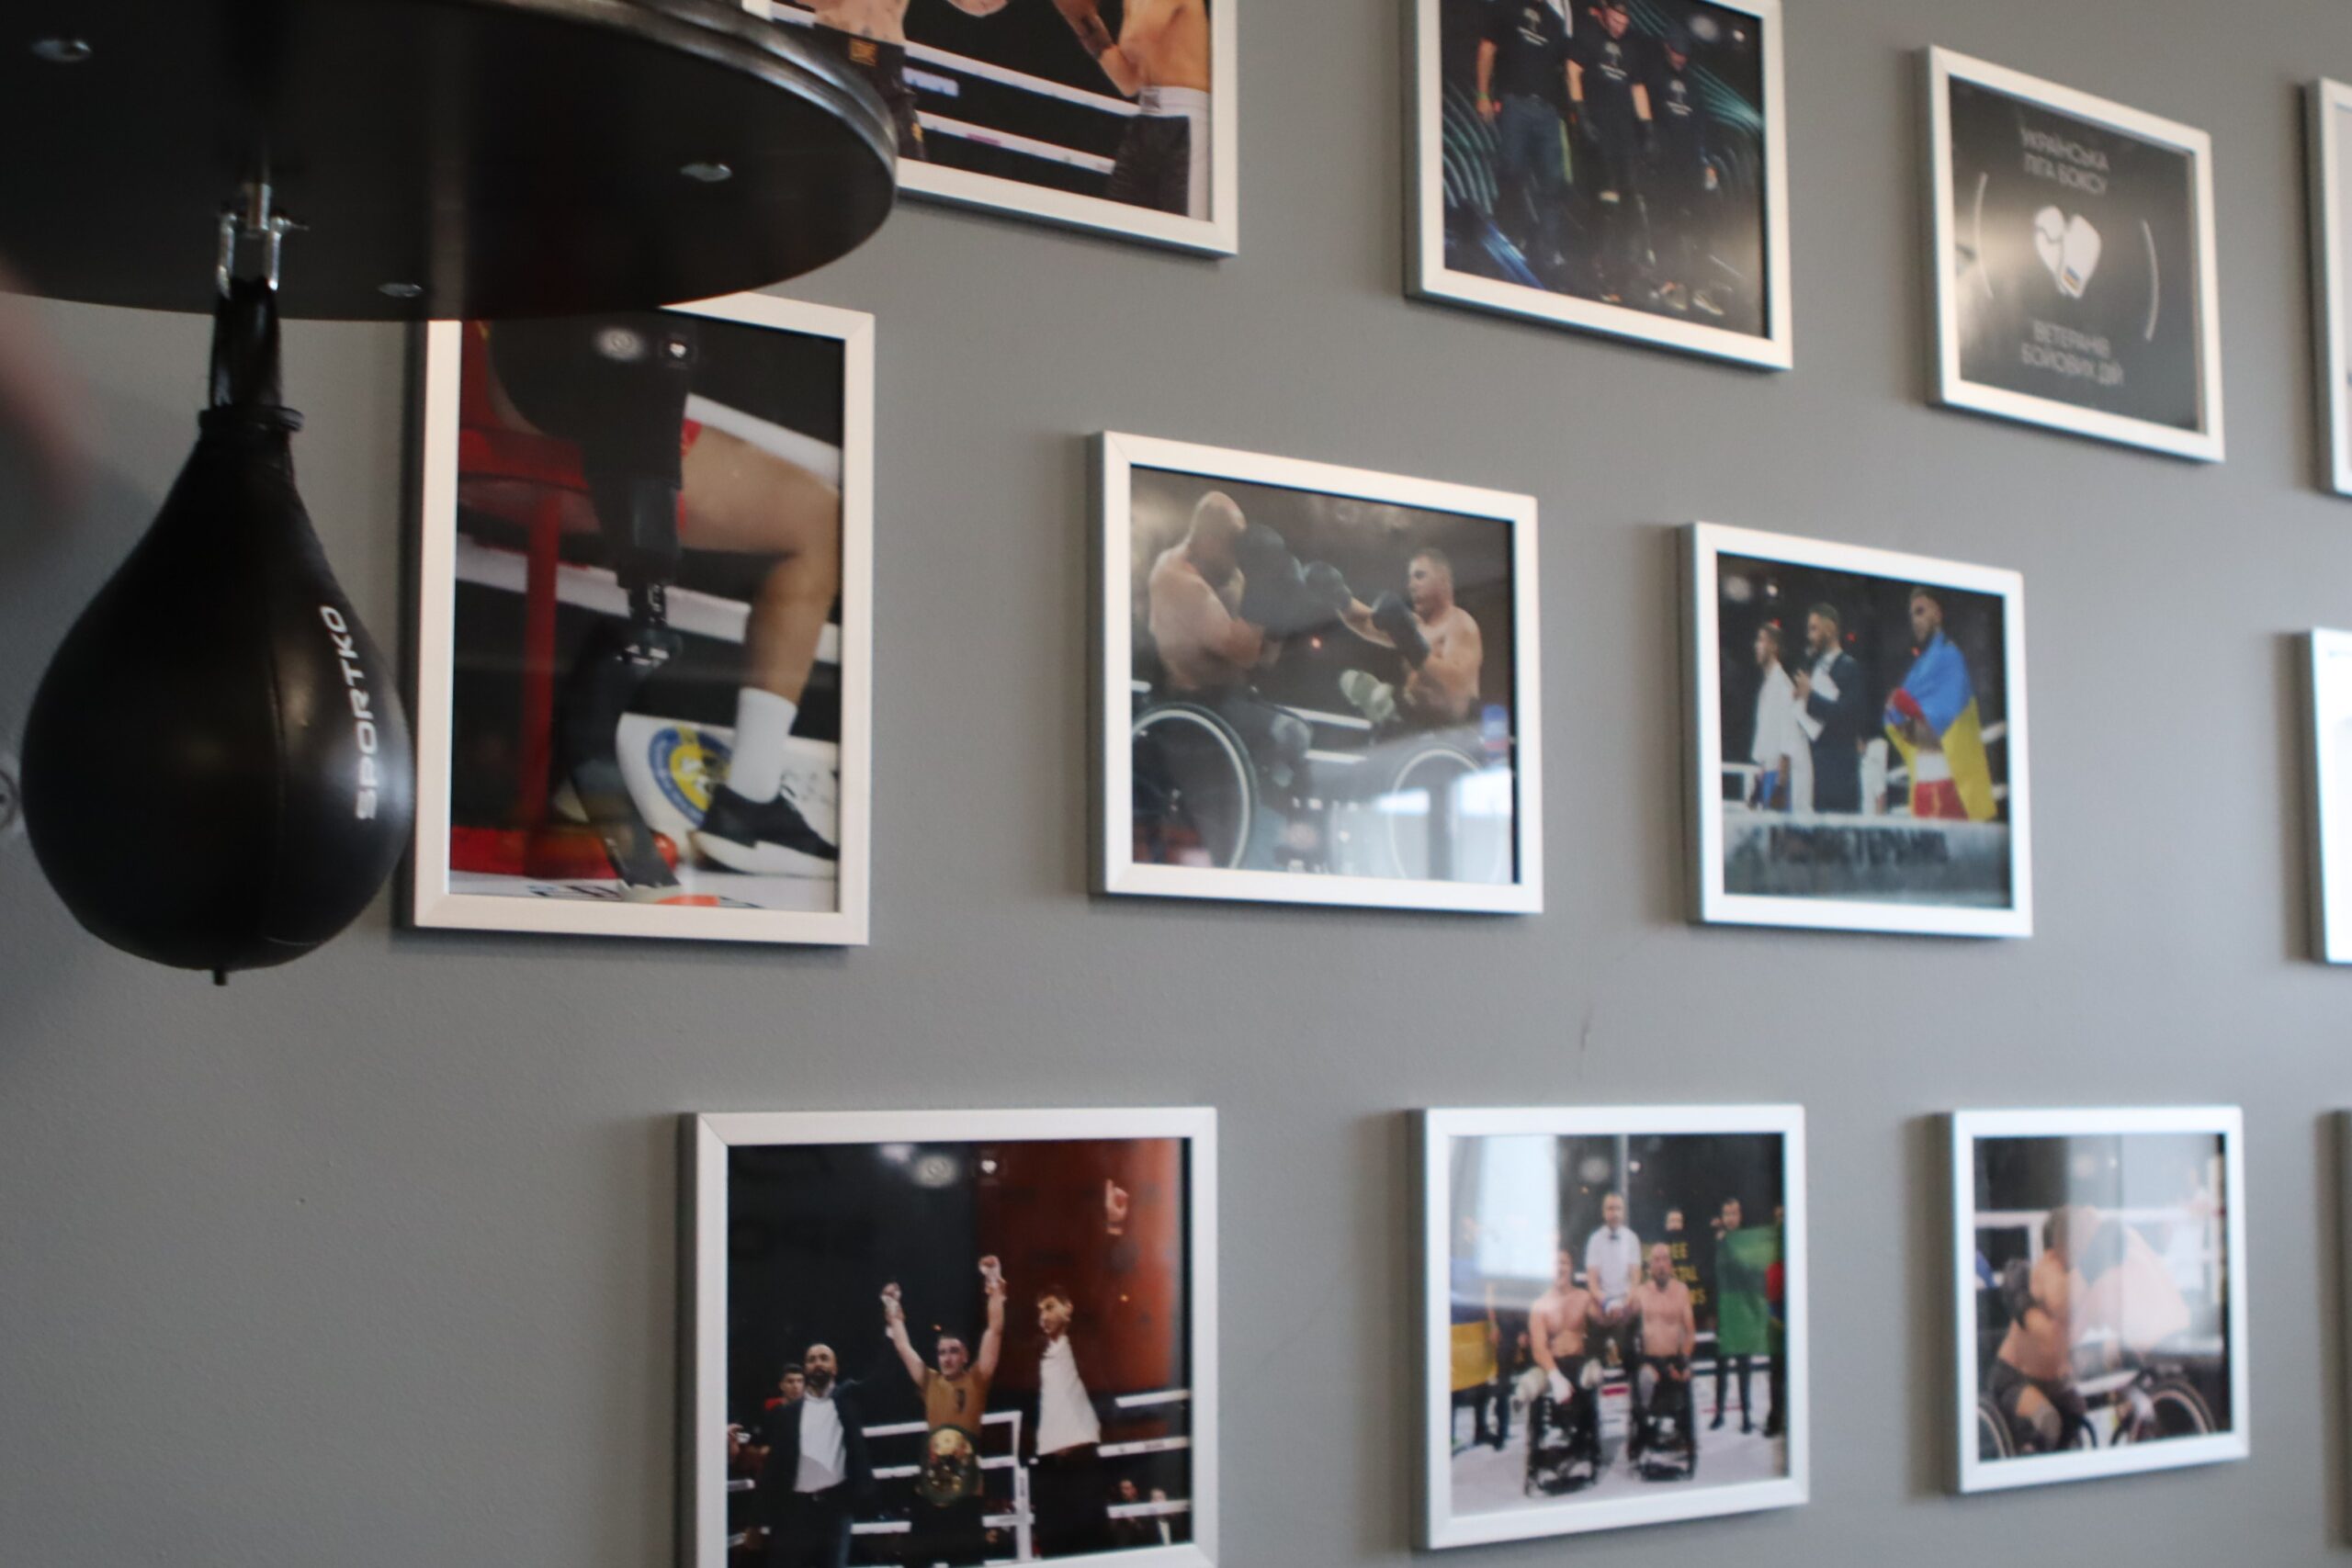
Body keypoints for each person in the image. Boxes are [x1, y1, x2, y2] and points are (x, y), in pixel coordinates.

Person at [458, 322, 844, 877]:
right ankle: (749, 801)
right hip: (552, 410)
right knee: (820, 521)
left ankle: (587, 795)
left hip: (491, 402)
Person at [1145, 491, 1314, 825]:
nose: (1241, 556)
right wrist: (1265, 589)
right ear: (1209, 542)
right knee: (1288, 732)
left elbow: (1264, 658)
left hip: (1230, 700)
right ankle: (1261, 823)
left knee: (1298, 736)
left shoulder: (1229, 574)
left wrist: (1284, 604)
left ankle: (1273, 818)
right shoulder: (1179, 580)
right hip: (1191, 706)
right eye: (1235, 543)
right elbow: (1245, 653)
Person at [1027, 1179, 1136, 1558]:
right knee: (1054, 1554)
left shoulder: (1085, 1343)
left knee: (1093, 1553)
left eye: (1050, 1306)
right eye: (1039, 1310)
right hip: (1047, 1469)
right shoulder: (1032, 1359)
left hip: (1082, 1463)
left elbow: (1109, 1286)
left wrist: (1114, 1226)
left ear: (1069, 1309)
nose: (1043, 1315)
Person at [884, 1260, 1007, 1566]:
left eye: (954, 1351)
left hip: (966, 1494)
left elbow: (994, 1330)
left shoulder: (977, 1379)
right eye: (942, 1352)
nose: (947, 1358)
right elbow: (903, 1347)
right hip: (929, 1493)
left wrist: (994, 1286)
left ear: (965, 1355)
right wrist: (892, 1306)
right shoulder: (929, 1381)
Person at [1051, 0, 1216, 219]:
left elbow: (1136, 42)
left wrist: (1091, 17)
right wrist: (1085, 24)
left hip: (1186, 123)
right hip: (1146, 120)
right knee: (1118, 221)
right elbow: (1128, 82)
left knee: (1187, 229)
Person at [802, 0, 1010, 162]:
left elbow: (976, 4)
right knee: (818, 156)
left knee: (912, 161)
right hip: (835, 54)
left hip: (886, 65)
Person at [1475, 1, 1577, 275]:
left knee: (1553, 183)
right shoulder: (1508, 6)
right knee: (1511, 170)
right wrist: (1483, 94)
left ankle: (1548, 250)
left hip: (1548, 110)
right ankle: (1512, 236)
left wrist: (1571, 109)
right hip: (1515, 103)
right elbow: (1487, 49)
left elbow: (1566, 67)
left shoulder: (1554, 20)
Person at [1336, 547, 1487, 727]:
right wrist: (1338, 596)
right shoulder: (1417, 627)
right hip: (1417, 725)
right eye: (1410, 578)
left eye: (1419, 576)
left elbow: (1458, 686)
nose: (1411, 585)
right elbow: (1364, 623)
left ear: (1443, 580)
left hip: (1453, 730)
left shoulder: (1459, 623)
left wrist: (1411, 642)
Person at [1883, 586, 1996, 822]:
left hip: (1949, 787)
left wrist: (1905, 707)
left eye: (1921, 611)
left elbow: (1935, 732)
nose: (1915, 621)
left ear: (1937, 613)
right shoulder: (1917, 670)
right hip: (1921, 785)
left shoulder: (1950, 658)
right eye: (1912, 615)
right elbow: (1905, 730)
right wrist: (1904, 713)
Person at [759, 1342, 876, 1568]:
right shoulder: (789, 1413)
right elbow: (773, 1467)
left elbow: (880, 1376)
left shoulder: (848, 1402)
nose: (817, 1363)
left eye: (824, 1358)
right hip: (795, 1510)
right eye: (812, 1359)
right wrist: (756, 1523)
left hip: (835, 1508)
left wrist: (893, 1330)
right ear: (806, 1368)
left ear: (835, 1368)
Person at [1568, 0, 1655, 303]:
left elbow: (1638, 88)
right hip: (1599, 130)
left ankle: (1629, 271)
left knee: (1632, 201)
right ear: (1605, 15)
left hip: (1625, 136)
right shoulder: (1589, 35)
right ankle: (1595, 269)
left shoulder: (1632, 46)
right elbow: (1573, 71)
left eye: (1623, 23)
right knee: (1606, 200)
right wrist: (1581, 114)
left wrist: (1647, 127)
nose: (1619, 27)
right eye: (1615, 21)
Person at [1646, 23, 1722, 317]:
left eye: (1684, 54)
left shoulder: (1693, 83)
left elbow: (1702, 123)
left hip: (1691, 166)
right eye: (1676, 52)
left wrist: (1708, 162)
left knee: (1701, 226)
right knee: (1668, 225)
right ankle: (1670, 282)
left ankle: (1699, 287)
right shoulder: (1654, 75)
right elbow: (1646, 114)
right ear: (1668, 48)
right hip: (1664, 166)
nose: (1680, 58)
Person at [1527, 1247, 1606, 1474]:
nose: (1560, 1268)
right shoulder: (1540, 1305)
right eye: (1555, 1263)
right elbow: (1539, 1348)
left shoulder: (1583, 1297)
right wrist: (1556, 1378)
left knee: (1591, 1376)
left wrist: (1604, 1299)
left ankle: (1586, 1445)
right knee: (1535, 1387)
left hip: (1578, 1361)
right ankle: (1541, 1450)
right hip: (1552, 1364)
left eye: (1564, 1263)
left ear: (1571, 1268)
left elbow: (1604, 1320)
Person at [1625, 1242, 1697, 1461]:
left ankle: (1680, 1432)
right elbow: (1626, 1324)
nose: (1661, 1264)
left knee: (1683, 1377)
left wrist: (1684, 1362)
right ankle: (1644, 1427)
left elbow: (1690, 1332)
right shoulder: (1640, 1292)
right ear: (1650, 1267)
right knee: (1645, 1378)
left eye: (1665, 1259)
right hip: (1649, 1360)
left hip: (1674, 1358)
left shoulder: (1681, 1291)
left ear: (1671, 1264)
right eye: (1656, 1260)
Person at [1793, 602, 1867, 814]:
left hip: (1841, 778)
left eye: (1814, 628)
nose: (1810, 636)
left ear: (1830, 628)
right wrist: (1800, 701)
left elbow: (1846, 716)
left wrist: (1810, 698)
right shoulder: (1815, 667)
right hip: (1817, 775)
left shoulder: (1849, 668)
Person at [1710, 1197, 1761, 1433]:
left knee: (1744, 1367)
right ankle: (1719, 1413)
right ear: (1722, 1217)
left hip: (1742, 1313)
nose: (1730, 1218)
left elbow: (1751, 1277)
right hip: (1723, 1313)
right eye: (1727, 1213)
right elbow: (1712, 1278)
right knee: (1721, 1368)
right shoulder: (1717, 1242)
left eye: (1734, 1213)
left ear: (1740, 1216)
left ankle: (1746, 1416)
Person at [1747, 623, 1803, 811]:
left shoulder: (1782, 685)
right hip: (1768, 773)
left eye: (1762, 640)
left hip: (1779, 776)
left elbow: (1788, 736)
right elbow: (1767, 737)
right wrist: (1760, 778)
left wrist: (1780, 784)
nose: (1757, 645)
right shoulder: (1768, 686)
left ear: (1773, 647)